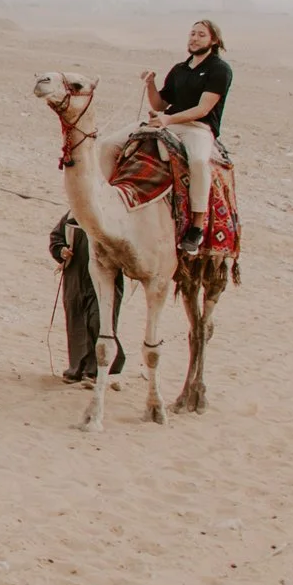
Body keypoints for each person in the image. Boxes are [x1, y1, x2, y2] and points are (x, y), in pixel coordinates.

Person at [141, 19, 233, 254]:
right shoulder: (179, 69)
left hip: (197, 127)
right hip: (168, 122)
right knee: (113, 145)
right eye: (192, 33)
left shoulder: (219, 70)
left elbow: (203, 109)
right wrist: (150, 84)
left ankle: (196, 226)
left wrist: (168, 120)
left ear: (214, 41)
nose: (194, 38)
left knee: (199, 162)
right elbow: (161, 103)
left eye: (201, 35)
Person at [48, 213, 126, 383]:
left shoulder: (113, 216)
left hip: (103, 279)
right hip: (75, 277)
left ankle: (94, 371)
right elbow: (56, 237)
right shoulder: (71, 215)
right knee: (77, 322)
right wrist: (61, 250)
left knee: (98, 321)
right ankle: (77, 369)